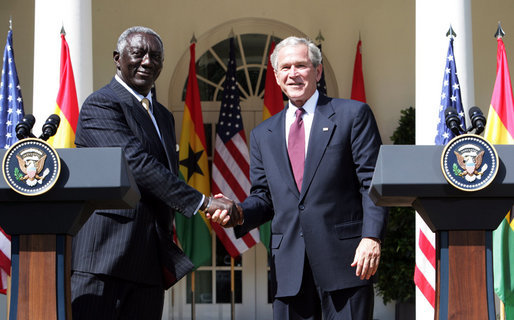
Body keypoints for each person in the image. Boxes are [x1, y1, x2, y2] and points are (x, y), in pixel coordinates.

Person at [210, 36, 388, 319]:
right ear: (277, 77)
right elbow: (264, 197)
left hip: (347, 262)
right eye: (285, 67)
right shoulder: (263, 135)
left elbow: (373, 183)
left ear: (317, 72)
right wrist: (240, 212)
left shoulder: (352, 115)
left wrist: (371, 237)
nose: (293, 73)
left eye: (301, 65)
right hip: (289, 270)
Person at [71, 26, 240, 320]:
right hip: (104, 259)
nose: (147, 62)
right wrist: (204, 202)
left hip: (149, 258)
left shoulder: (162, 115)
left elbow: (164, 175)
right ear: (117, 58)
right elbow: (135, 165)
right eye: (138, 53)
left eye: (156, 57)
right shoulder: (101, 105)